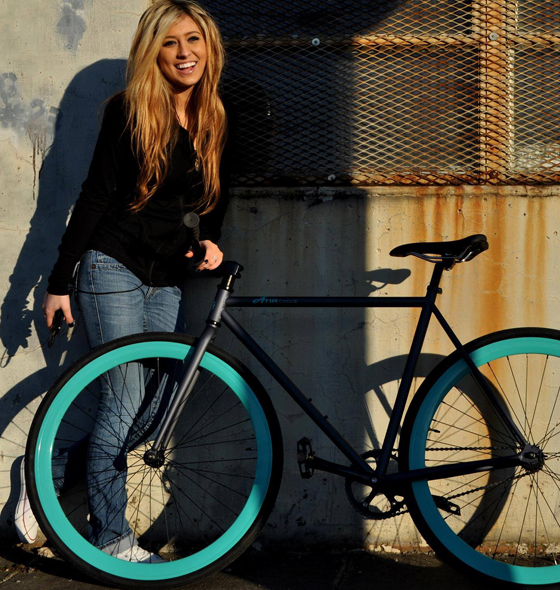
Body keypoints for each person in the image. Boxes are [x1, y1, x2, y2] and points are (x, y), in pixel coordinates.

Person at [15, 0, 235, 563]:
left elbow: (210, 199)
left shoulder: (213, 115)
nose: (184, 53)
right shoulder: (130, 110)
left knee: (159, 403)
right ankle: (110, 538)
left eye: (193, 41)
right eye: (170, 43)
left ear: (208, 47)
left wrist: (209, 237)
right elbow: (93, 197)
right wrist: (58, 282)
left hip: (168, 277)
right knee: (124, 400)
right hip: (112, 266)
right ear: (152, 52)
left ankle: (46, 469)